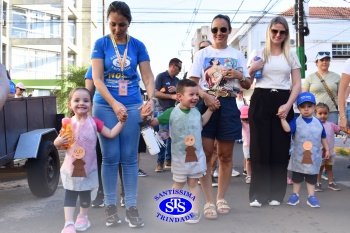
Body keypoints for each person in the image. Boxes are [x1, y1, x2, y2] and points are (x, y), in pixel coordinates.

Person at [91, 1, 155, 228]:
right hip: (105, 106)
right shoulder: (101, 44)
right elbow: (97, 79)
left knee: (129, 158)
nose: (117, 29)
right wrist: (114, 103)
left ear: (129, 23)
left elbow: (147, 77)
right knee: (109, 157)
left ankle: (131, 207)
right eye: (113, 24)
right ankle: (110, 207)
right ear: (108, 23)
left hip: (133, 105)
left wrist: (151, 100)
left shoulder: (138, 46)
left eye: (122, 25)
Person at [189, 14, 251, 219]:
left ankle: (221, 198)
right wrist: (205, 97)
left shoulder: (237, 55)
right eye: (215, 30)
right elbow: (193, 82)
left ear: (229, 31)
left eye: (223, 29)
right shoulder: (202, 54)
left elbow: (247, 84)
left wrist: (240, 76)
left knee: (225, 155)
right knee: (206, 155)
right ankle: (208, 201)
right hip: (207, 104)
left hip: (228, 106)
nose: (218, 34)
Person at [141, 79, 216, 223]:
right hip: (179, 157)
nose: (195, 97)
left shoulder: (196, 112)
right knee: (179, 184)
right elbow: (154, 122)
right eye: (191, 94)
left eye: (196, 94)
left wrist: (210, 110)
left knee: (193, 183)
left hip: (195, 156)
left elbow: (202, 122)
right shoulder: (171, 112)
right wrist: (147, 116)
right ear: (179, 96)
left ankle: (193, 211)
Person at [247, 16, 301, 207]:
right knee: (259, 148)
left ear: (286, 34)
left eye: (282, 32)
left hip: (283, 101)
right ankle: (257, 195)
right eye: (275, 31)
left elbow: (297, 85)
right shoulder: (259, 53)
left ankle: (276, 195)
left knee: (279, 148)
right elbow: (246, 82)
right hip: (261, 98)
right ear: (269, 32)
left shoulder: (291, 55)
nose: (278, 35)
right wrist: (252, 69)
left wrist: (288, 105)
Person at [54, 87, 124, 233]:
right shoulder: (67, 124)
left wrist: (121, 122)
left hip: (88, 167)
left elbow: (110, 134)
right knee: (70, 194)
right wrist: (58, 141)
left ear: (91, 105)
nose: (82, 103)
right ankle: (68, 223)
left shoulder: (94, 122)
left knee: (85, 193)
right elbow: (59, 145)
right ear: (69, 104)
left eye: (86, 100)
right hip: (71, 167)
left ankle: (83, 217)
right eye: (77, 100)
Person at [281, 92, 330, 208]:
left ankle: (311, 196)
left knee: (312, 176)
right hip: (298, 155)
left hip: (314, 156)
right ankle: (295, 195)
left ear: (314, 107)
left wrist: (327, 149)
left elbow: (323, 136)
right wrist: (283, 119)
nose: (306, 109)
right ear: (298, 108)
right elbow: (288, 130)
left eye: (309, 106)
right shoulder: (296, 121)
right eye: (303, 107)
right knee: (297, 176)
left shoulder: (318, 122)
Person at [154, 58, 181, 172]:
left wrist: (176, 90)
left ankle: (169, 160)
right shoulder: (161, 76)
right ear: (173, 66)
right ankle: (160, 162)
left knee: (172, 138)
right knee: (163, 137)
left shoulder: (177, 80)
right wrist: (171, 96)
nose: (179, 71)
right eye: (179, 68)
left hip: (175, 111)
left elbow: (181, 94)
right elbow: (155, 92)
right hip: (163, 111)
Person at [302, 51, 340, 124]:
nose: (324, 62)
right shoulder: (310, 77)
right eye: (322, 60)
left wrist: (342, 113)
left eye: (327, 60)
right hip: (314, 112)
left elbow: (341, 95)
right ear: (317, 62)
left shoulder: (337, 77)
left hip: (331, 112)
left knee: (330, 133)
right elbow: (305, 96)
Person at [314, 102, 342, 192]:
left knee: (329, 168)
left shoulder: (331, 125)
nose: (323, 116)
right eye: (320, 113)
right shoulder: (314, 125)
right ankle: (318, 183)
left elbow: (339, 129)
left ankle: (331, 183)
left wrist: (345, 129)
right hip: (319, 152)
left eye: (325, 113)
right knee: (320, 169)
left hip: (330, 152)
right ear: (315, 114)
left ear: (328, 113)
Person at [240, 106, 251, 184]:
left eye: (247, 119)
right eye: (243, 119)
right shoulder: (242, 124)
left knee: (254, 160)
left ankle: (248, 171)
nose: (245, 121)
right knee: (248, 160)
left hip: (254, 144)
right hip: (246, 145)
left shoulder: (254, 122)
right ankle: (249, 175)